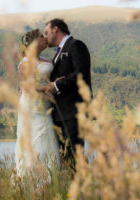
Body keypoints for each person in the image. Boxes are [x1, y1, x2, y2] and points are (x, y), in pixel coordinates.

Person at [44, 18, 92, 166]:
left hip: (75, 112)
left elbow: (81, 74)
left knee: (75, 157)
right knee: (65, 159)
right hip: (60, 115)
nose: (45, 37)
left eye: (46, 32)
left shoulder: (76, 45)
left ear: (56, 29)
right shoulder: (58, 53)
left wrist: (57, 85)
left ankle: (83, 188)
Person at [15, 29, 61, 178]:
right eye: (42, 36)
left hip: (46, 108)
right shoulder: (24, 63)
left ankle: (48, 181)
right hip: (30, 109)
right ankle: (29, 180)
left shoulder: (48, 61)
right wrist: (49, 87)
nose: (45, 38)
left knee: (47, 143)